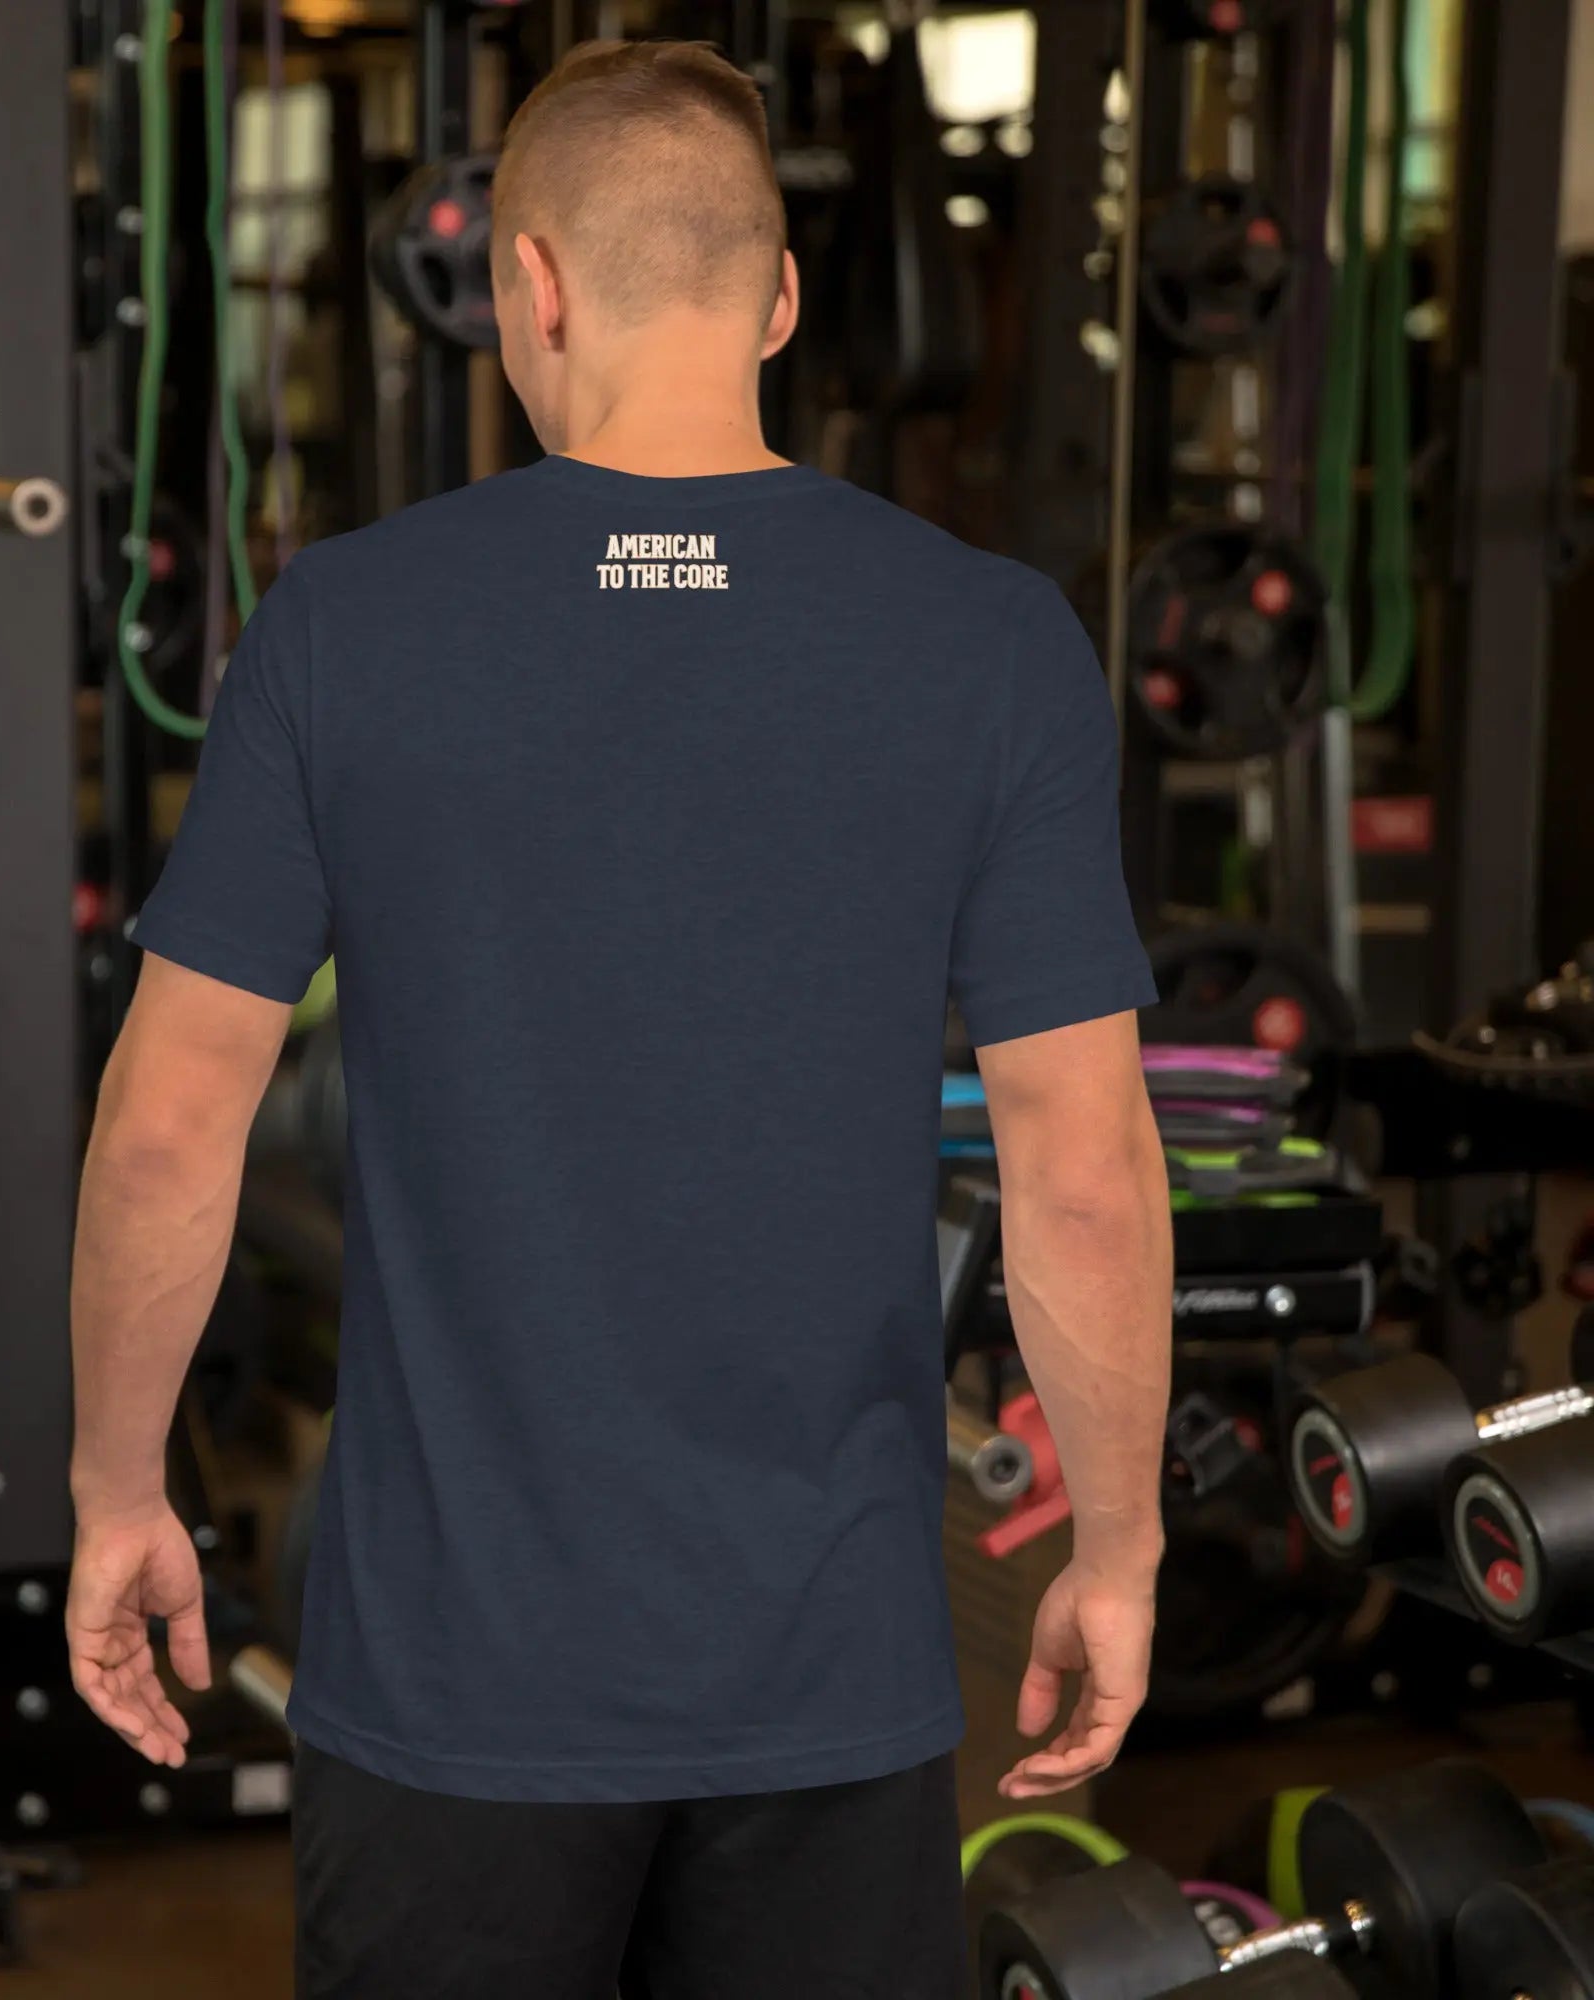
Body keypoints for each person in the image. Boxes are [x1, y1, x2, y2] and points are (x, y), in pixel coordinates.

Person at [67, 39, 1171, 2000]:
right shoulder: (988, 639)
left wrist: (117, 1493)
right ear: (782, 297)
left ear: (530, 285)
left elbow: (168, 1127)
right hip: (828, 1679)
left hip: (451, 1687)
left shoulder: (344, 623)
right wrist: (1121, 1546)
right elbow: (1076, 1161)